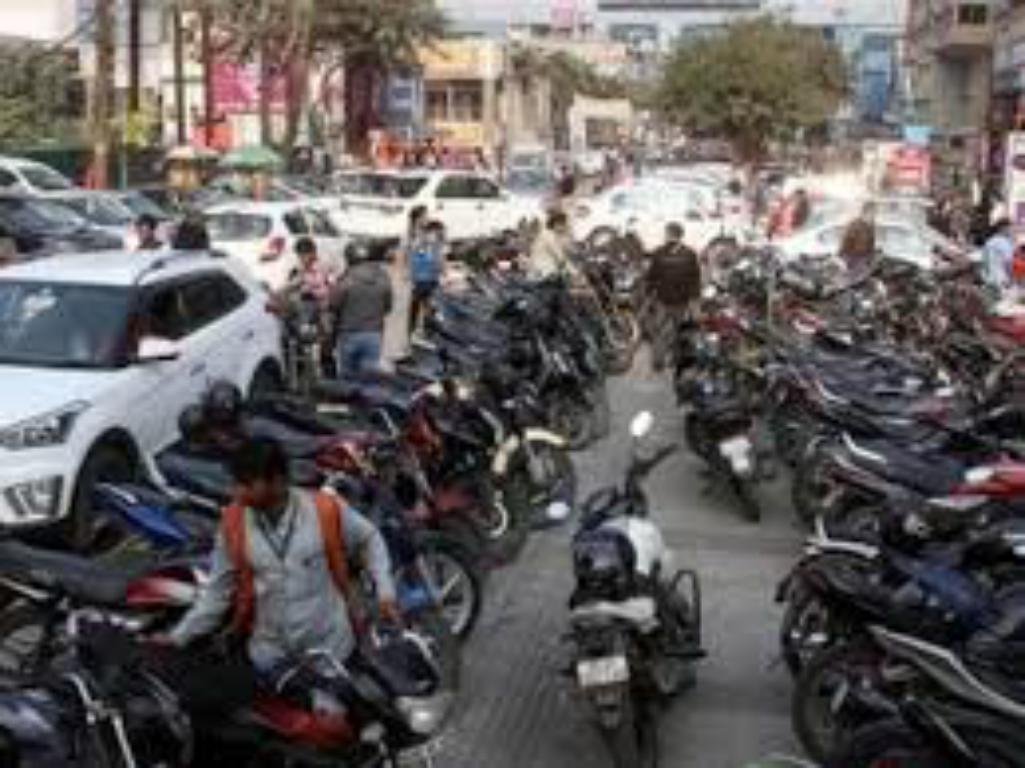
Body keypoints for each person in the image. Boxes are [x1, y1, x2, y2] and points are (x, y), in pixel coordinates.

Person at [164, 437, 399, 712]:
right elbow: (217, 592)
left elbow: (370, 538)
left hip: (332, 650)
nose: (237, 492)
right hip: (273, 659)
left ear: (277, 481)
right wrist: (178, 637)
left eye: (246, 484)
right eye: (236, 483)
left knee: (351, 719)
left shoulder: (324, 509)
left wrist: (385, 594)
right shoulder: (233, 525)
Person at [330, 242, 393, 374]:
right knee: (369, 379)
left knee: (348, 379)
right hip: (374, 334)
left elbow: (334, 305)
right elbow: (388, 307)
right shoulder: (383, 277)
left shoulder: (347, 279)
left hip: (349, 333)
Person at [647, 223, 701, 370]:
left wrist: (650, 294)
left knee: (659, 331)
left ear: (669, 234)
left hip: (663, 300)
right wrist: (694, 299)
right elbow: (695, 279)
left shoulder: (658, 252)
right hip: (681, 301)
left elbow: (651, 276)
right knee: (679, 331)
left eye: (666, 233)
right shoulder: (690, 254)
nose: (665, 236)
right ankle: (675, 359)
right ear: (681, 235)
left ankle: (658, 361)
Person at [408, 220, 445, 336]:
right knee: (422, 306)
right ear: (431, 231)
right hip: (424, 281)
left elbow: (438, 263)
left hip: (428, 280)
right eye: (438, 231)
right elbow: (417, 261)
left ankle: (423, 330)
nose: (440, 234)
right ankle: (416, 331)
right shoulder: (424, 245)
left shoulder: (434, 245)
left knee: (427, 307)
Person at [529, 210, 577, 281]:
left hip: (541, 271)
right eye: (564, 224)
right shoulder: (549, 235)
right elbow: (559, 256)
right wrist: (574, 272)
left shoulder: (549, 235)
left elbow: (568, 251)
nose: (565, 227)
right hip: (544, 272)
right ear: (556, 224)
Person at [289, 237, 332, 304]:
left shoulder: (324, 266)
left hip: (325, 303)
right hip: (307, 303)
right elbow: (292, 288)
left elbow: (330, 286)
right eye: (300, 255)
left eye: (304, 254)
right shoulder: (297, 270)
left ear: (313, 252)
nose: (301, 258)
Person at [839, 202, 877, 273]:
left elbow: (871, 244)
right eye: (872, 213)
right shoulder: (854, 225)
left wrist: (871, 258)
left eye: (874, 214)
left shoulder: (871, 226)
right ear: (865, 213)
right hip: (853, 259)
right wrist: (843, 261)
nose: (873, 216)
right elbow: (844, 245)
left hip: (865, 258)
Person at [983, 218, 1015, 293]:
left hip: (989, 280)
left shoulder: (989, 241)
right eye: (1011, 228)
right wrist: (1011, 278)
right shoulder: (1004, 242)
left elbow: (985, 262)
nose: (1012, 230)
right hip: (1002, 280)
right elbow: (1008, 263)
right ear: (1003, 228)